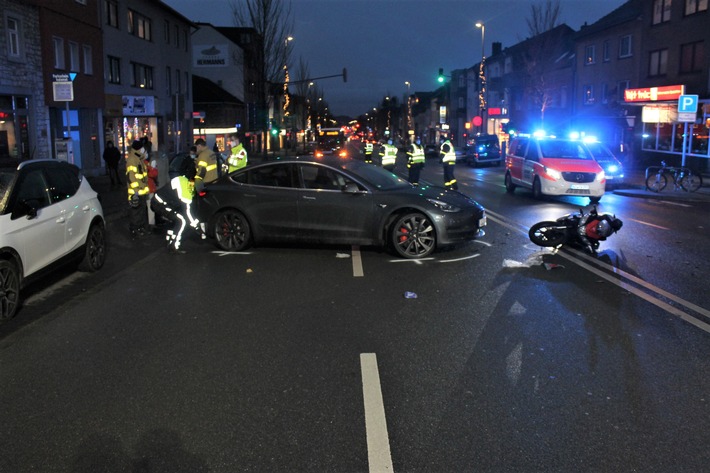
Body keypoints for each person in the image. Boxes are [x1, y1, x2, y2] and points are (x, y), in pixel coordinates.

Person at [153, 158, 203, 254]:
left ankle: (170, 240)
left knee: (177, 219)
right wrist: (197, 227)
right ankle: (173, 246)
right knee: (181, 221)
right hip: (160, 203)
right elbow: (187, 210)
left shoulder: (182, 179)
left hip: (163, 202)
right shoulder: (184, 185)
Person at [126, 140, 150, 238]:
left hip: (141, 191)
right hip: (136, 192)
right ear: (139, 149)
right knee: (135, 212)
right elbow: (131, 176)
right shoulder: (132, 159)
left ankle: (140, 228)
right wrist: (136, 190)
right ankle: (134, 231)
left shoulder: (139, 159)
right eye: (142, 148)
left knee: (141, 212)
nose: (144, 150)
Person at [143, 153, 159, 227]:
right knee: (150, 207)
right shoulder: (145, 163)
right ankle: (151, 223)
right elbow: (153, 174)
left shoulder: (142, 162)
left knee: (146, 207)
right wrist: (153, 168)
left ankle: (148, 223)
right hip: (149, 188)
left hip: (145, 188)